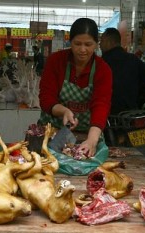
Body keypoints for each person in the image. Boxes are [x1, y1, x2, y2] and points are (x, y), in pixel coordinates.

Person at [38, 18, 112, 157]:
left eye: (88, 44)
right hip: (52, 134)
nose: (82, 50)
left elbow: (101, 105)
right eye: (77, 44)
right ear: (70, 42)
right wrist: (64, 111)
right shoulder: (56, 61)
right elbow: (46, 98)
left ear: (96, 44)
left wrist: (91, 140)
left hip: (87, 135)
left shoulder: (103, 69)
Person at [100, 27, 145, 113]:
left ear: (110, 42)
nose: (100, 45)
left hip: (108, 114)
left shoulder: (102, 62)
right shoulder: (133, 59)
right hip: (131, 111)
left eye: (101, 41)